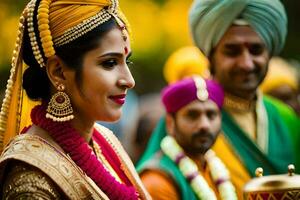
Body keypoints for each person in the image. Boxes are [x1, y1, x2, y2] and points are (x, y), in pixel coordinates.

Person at [0, 0, 150, 199]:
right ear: (59, 72)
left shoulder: (104, 140)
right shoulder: (30, 181)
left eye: (127, 61)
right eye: (110, 63)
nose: (129, 81)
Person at [189, 0, 299, 193]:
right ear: (210, 56)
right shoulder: (187, 118)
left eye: (256, 50)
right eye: (232, 51)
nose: (246, 63)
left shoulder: (286, 118)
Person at [137, 76, 238, 200]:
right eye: (192, 115)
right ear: (170, 122)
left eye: (211, 115)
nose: (204, 125)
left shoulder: (215, 169)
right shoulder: (157, 181)